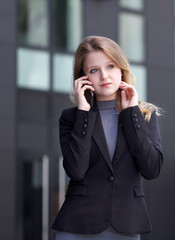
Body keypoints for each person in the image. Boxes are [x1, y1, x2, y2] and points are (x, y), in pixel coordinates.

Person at [52, 36, 164, 240]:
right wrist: (83, 113)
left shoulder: (144, 116)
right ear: (83, 78)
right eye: (94, 70)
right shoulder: (71, 118)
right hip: (77, 225)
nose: (104, 76)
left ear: (121, 68)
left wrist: (131, 113)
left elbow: (151, 169)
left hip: (126, 225)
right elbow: (75, 170)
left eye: (110, 66)